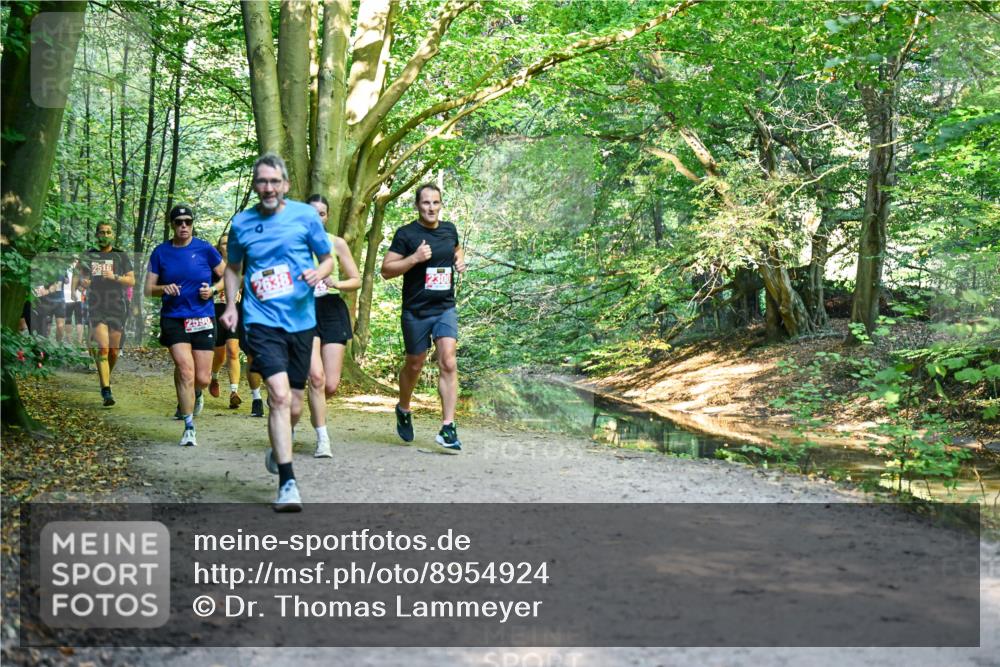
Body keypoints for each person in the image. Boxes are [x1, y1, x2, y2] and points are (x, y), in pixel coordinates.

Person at [220, 153, 333, 512]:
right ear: (255, 185)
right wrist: (231, 305)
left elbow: (327, 257)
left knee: (295, 405)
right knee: (279, 396)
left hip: (301, 322)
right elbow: (233, 268)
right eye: (261, 181)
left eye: (274, 181)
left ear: (285, 185)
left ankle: (279, 443)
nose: (268, 188)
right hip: (261, 320)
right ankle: (287, 482)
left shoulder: (304, 216)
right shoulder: (242, 223)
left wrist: (319, 273)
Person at [381, 183, 466, 453]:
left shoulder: (449, 229)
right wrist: (414, 258)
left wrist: (460, 260)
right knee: (415, 364)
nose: (431, 208)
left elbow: (456, 248)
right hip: (416, 310)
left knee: (448, 361)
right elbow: (386, 270)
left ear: (441, 204)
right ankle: (404, 408)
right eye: (426, 203)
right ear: (417, 206)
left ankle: (448, 427)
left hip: (444, 307)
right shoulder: (406, 234)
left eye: (436, 203)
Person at [145, 205, 224, 446]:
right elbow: (148, 289)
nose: (183, 226)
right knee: (186, 370)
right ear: (172, 224)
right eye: (179, 222)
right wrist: (163, 288)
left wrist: (211, 289)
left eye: (188, 222)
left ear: (192, 224)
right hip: (174, 317)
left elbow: (227, 278)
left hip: (202, 317)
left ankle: (196, 393)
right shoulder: (161, 252)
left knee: (202, 378)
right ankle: (189, 426)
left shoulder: (205, 249)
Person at [298, 194, 361, 458]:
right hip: (303, 310)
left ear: (327, 217)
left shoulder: (336, 243)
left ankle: (303, 407)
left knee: (331, 385)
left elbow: (355, 280)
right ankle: (322, 438)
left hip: (332, 309)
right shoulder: (293, 244)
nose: (317, 217)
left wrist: (337, 283)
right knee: (317, 377)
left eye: (322, 213)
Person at [80, 223, 135, 406]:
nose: (105, 234)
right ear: (96, 234)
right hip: (96, 305)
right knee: (103, 348)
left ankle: (105, 377)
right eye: (101, 232)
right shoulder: (89, 255)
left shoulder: (120, 255)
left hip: (117, 306)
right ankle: (106, 390)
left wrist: (114, 277)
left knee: (113, 351)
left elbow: (131, 280)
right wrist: (84, 282)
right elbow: (80, 277)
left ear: (112, 235)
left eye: (108, 232)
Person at [209, 232, 249, 410]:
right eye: (224, 243)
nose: (228, 246)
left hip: (235, 311)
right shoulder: (212, 267)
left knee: (233, 350)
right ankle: (214, 377)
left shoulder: (242, 264)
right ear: (219, 247)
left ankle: (234, 392)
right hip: (216, 311)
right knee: (220, 355)